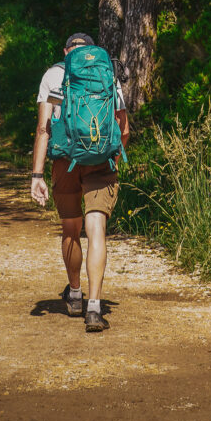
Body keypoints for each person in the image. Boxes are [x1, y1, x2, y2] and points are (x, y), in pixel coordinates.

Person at [30, 32, 129, 333]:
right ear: (92, 50)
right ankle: (95, 309)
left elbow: (44, 129)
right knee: (96, 228)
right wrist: (109, 153)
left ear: (66, 50)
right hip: (100, 160)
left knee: (71, 228)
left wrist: (37, 175)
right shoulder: (106, 74)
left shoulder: (55, 77)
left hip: (65, 161)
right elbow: (124, 127)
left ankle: (75, 295)